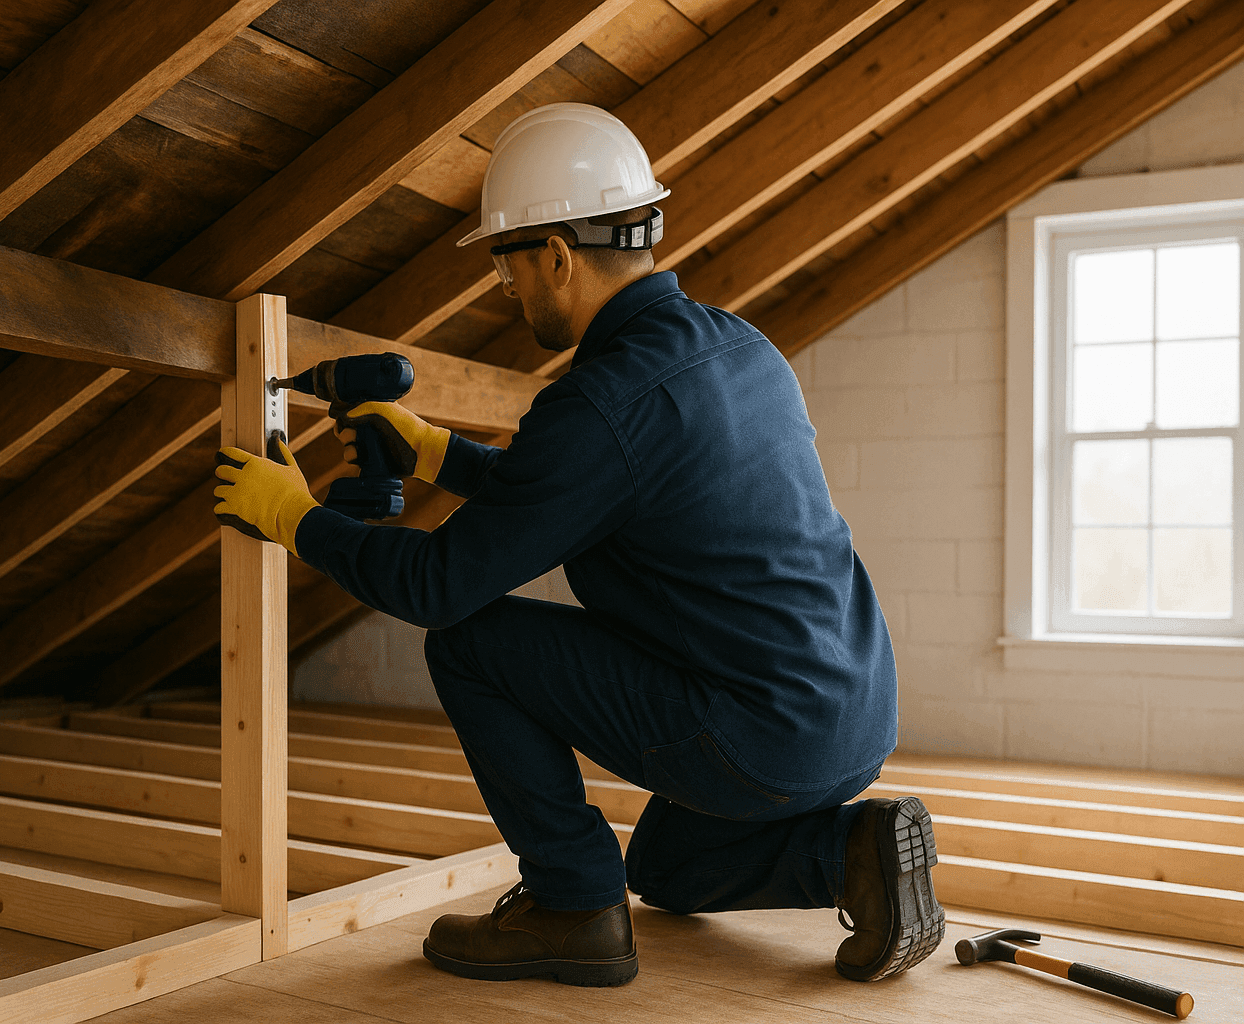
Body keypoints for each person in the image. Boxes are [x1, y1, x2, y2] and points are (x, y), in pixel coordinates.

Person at [213, 102, 943, 988]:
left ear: (555, 255)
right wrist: (441, 452)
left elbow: (442, 583)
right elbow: (588, 489)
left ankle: (571, 909)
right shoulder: (737, 347)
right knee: (665, 868)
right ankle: (853, 850)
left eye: (505, 267)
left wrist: (296, 519)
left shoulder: (602, 403)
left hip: (758, 733)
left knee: (472, 641)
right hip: (853, 718)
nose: (508, 291)